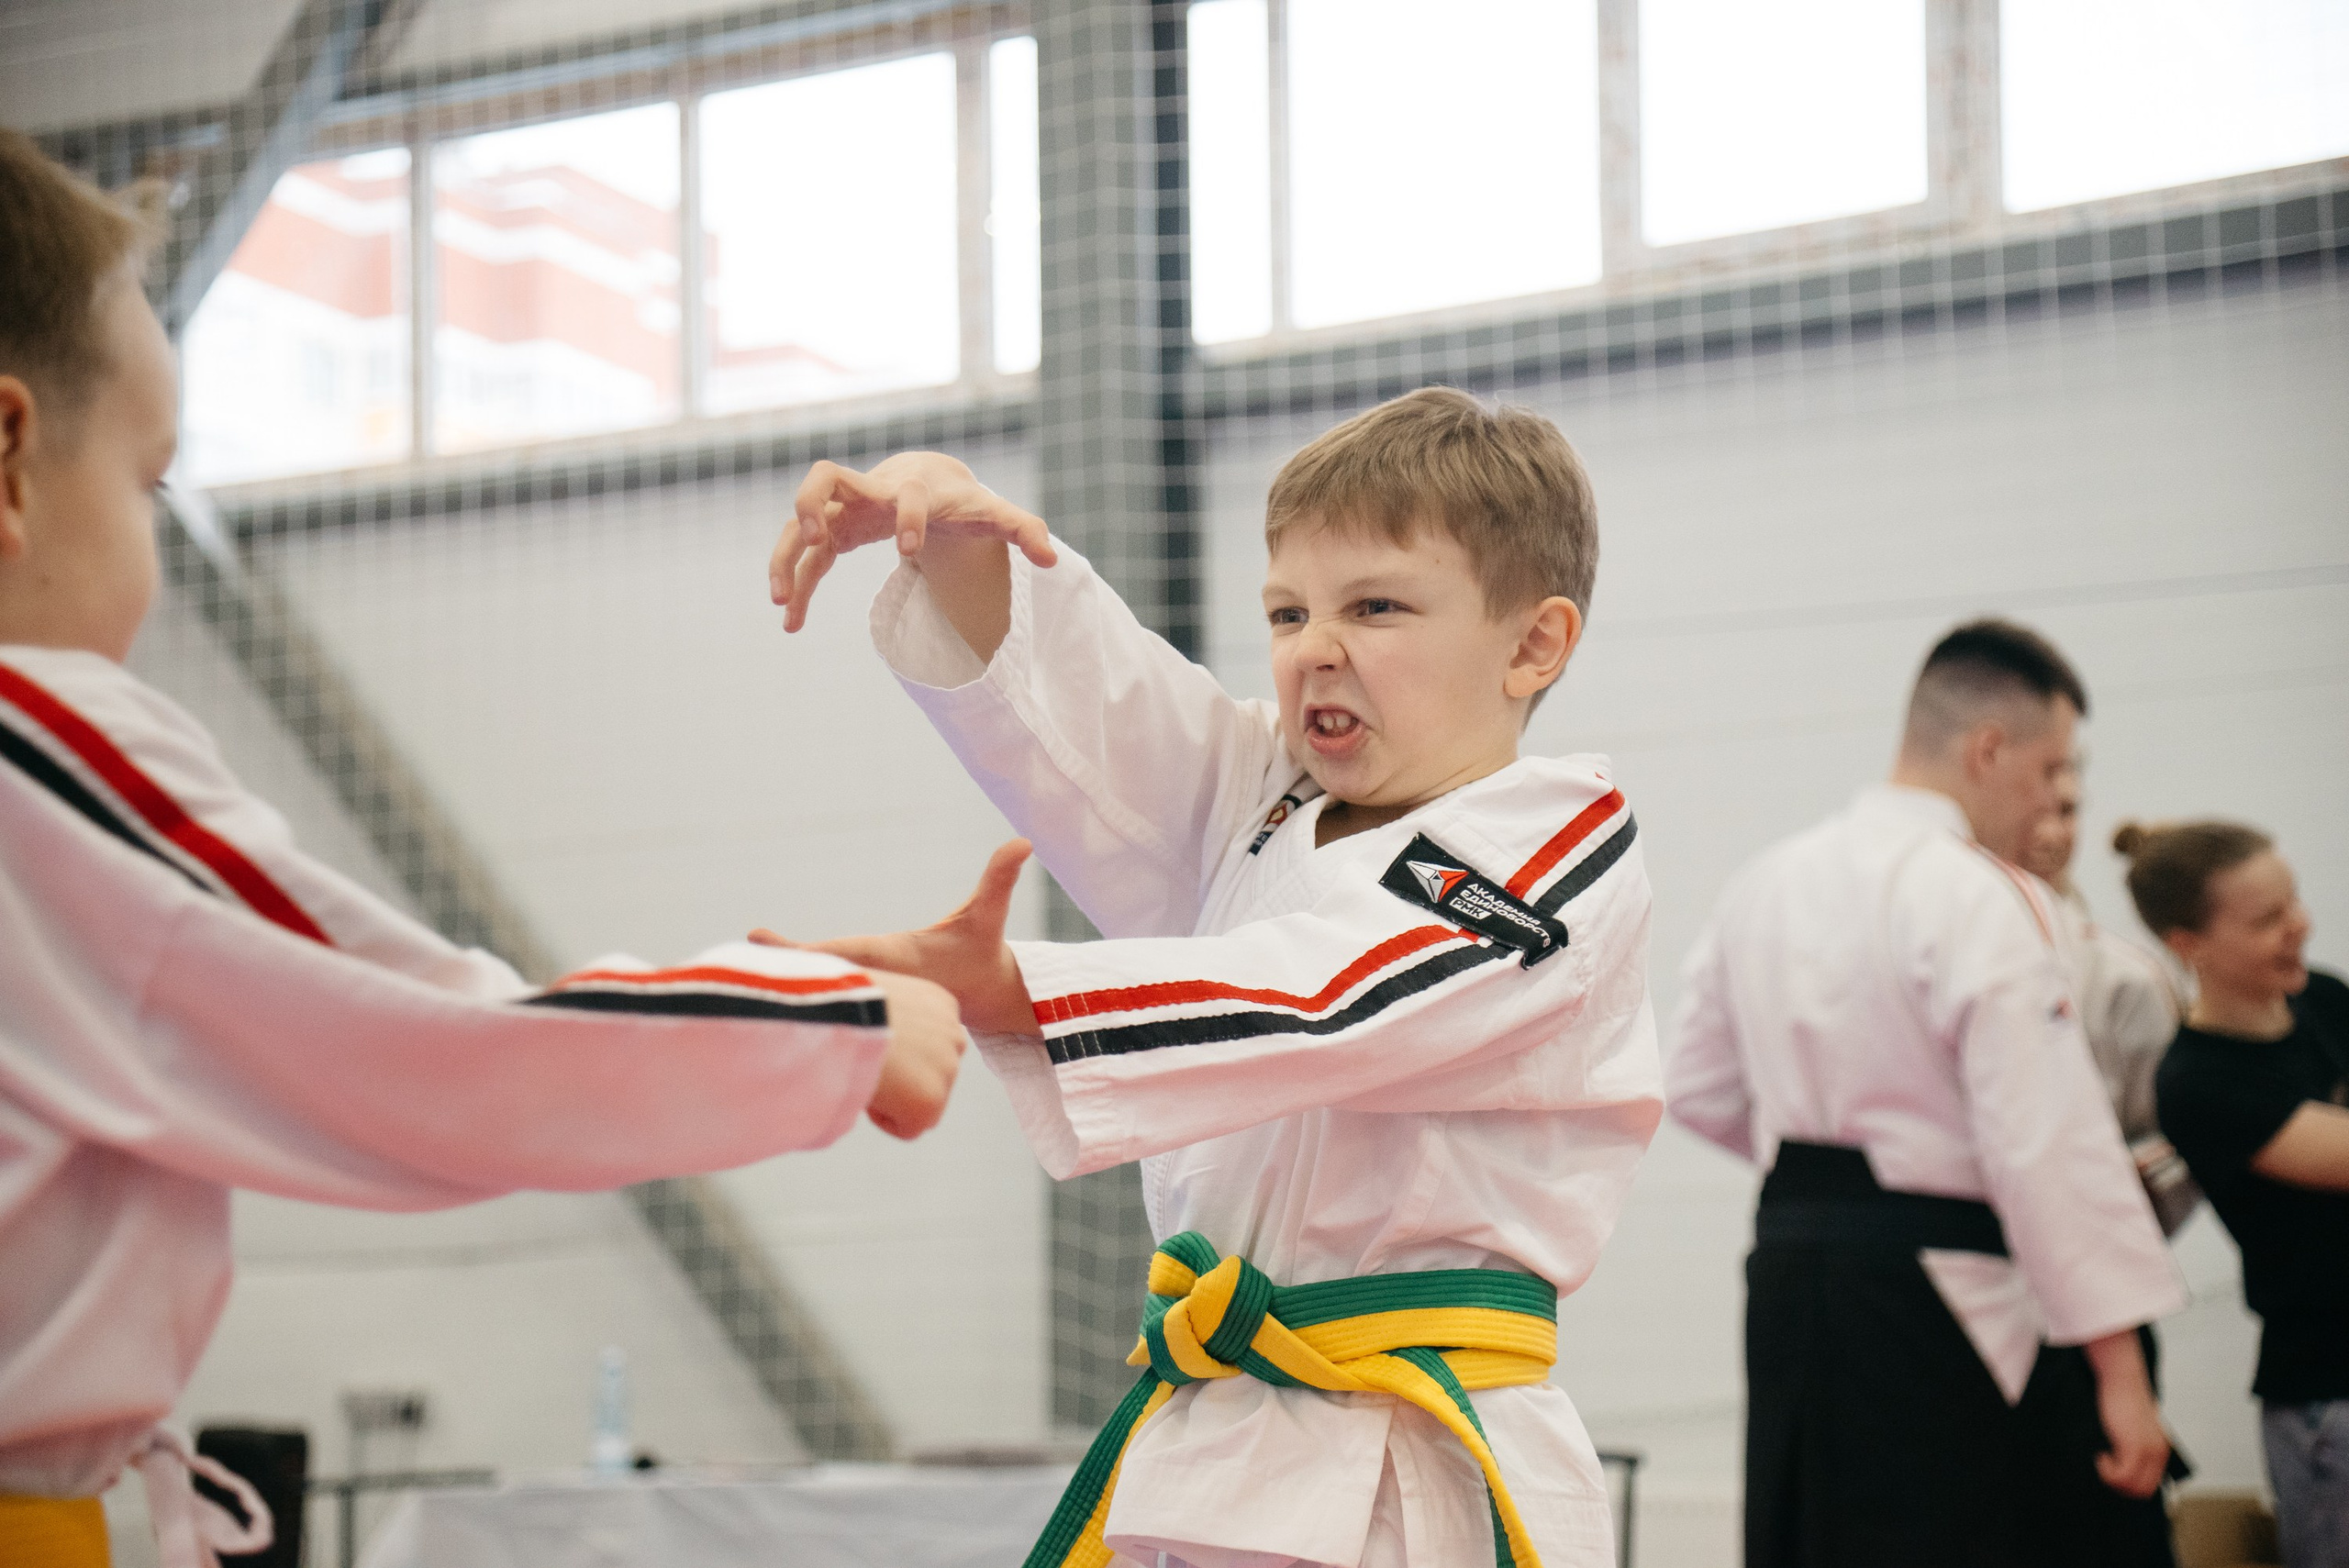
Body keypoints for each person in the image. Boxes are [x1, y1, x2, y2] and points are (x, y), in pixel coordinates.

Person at [0, 129, 968, 1568]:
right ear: (12, 457)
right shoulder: (36, 745)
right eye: (149, 490)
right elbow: (423, 1046)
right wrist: (832, 1023)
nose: (148, 544)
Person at [763, 388, 1662, 1567]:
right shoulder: (1268, 795)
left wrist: (1017, 993)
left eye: (1376, 606)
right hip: (1213, 1449)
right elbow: (1100, 713)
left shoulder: (1550, 841)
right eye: (1288, 611)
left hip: (1412, 1465)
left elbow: (1332, 999)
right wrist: (958, 544)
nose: (1316, 648)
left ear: (1532, 643)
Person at [1666, 619, 2186, 1568]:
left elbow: (1695, 1086)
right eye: (2049, 770)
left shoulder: (1764, 878)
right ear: (1988, 749)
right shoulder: (1972, 891)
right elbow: (2046, 1140)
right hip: (1941, 1290)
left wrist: (1841, 1170)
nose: (2046, 802)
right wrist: (2120, 1368)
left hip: (1789, 1271)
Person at [2128, 821, 2349, 1567]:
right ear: (2188, 943)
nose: (2300, 926)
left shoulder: (2323, 999)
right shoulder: (2200, 1081)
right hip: (2329, 1391)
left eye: (2294, 904)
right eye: (2266, 920)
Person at [2019, 768, 2199, 1234]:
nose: (2050, 834)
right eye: (2027, 811)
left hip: (2097, 1258)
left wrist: (2083, 1215)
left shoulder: (2126, 979)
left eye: (2066, 811)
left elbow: (2181, 1139)